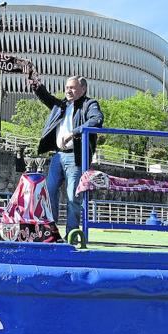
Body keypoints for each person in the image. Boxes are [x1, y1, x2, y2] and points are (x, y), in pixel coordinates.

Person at [29, 75, 104, 237]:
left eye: (72, 87)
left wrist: (74, 133)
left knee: (72, 196)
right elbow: (45, 97)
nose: (68, 90)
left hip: (75, 156)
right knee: (49, 192)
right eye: (67, 87)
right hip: (58, 155)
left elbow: (97, 120)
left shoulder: (89, 104)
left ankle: (72, 234)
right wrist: (34, 83)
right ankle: (51, 231)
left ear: (83, 89)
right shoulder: (61, 105)